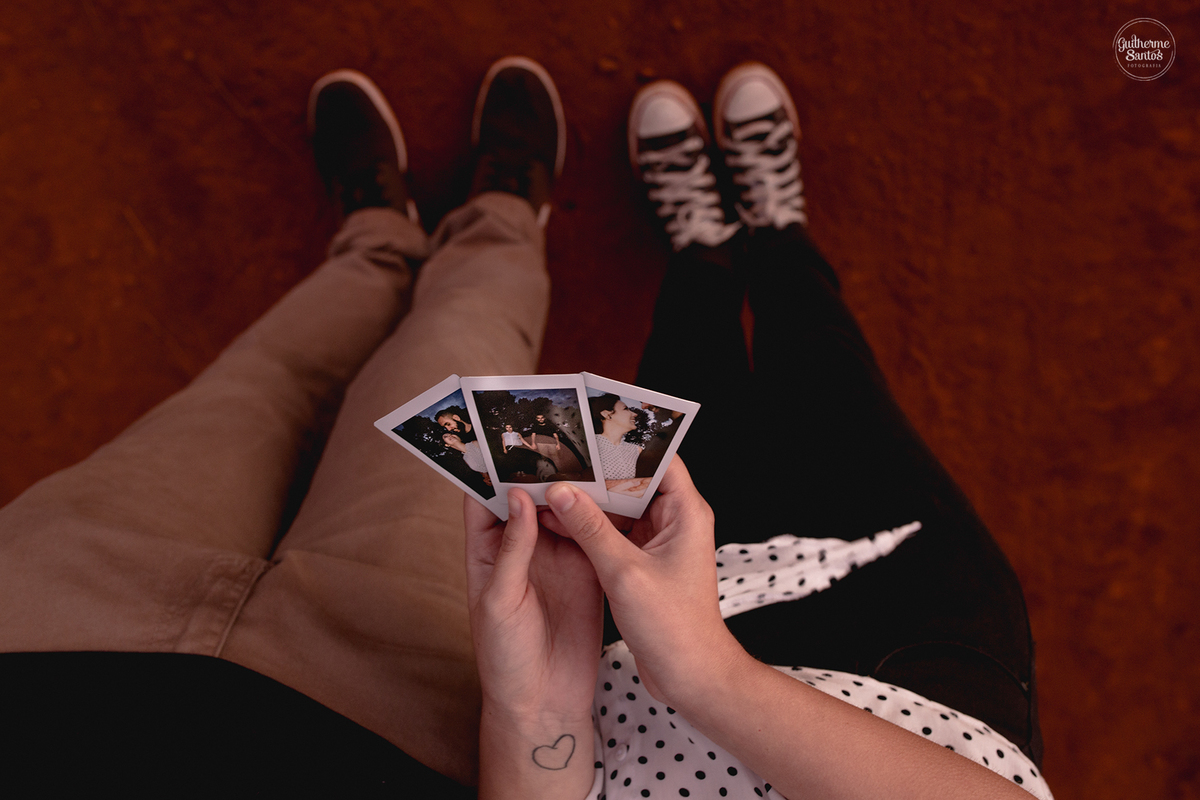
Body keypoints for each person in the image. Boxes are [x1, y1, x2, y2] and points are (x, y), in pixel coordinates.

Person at [463, 63, 1052, 799]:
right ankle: (779, 238)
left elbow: (542, 734)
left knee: (684, 377)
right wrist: (705, 674)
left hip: (628, 677)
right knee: (832, 379)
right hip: (921, 683)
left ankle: (702, 252)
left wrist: (535, 709)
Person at [0, 56, 565, 794]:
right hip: (392, 709)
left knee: (258, 381)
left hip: (47, 632)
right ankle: (502, 220)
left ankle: (379, 239)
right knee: (460, 354)